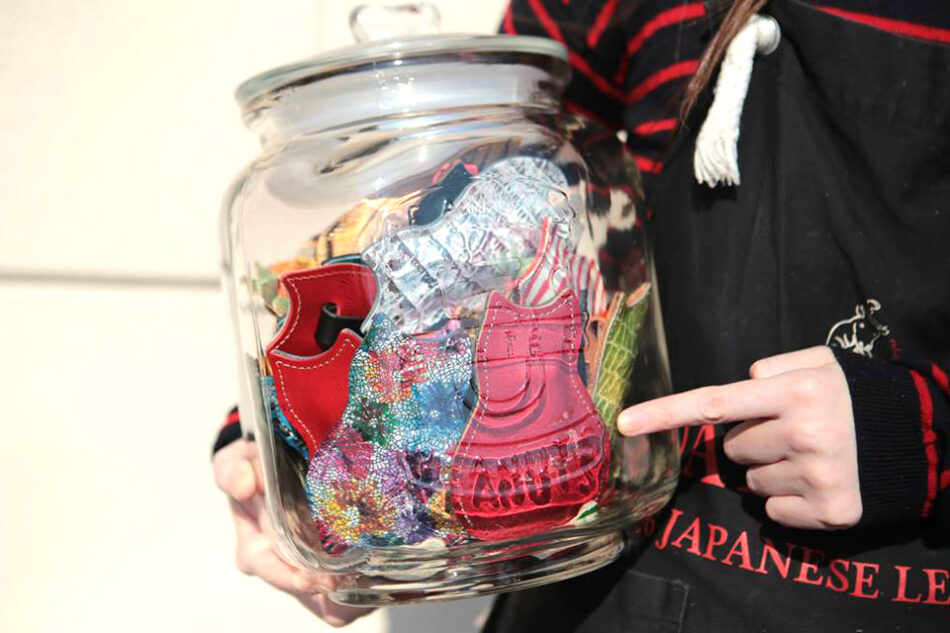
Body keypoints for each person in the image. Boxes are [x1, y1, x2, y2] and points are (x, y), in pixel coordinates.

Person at [213, 1, 950, 630]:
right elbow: (464, 180)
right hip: (595, 589)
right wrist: (278, 440)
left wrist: (920, 433)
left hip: (884, 586)